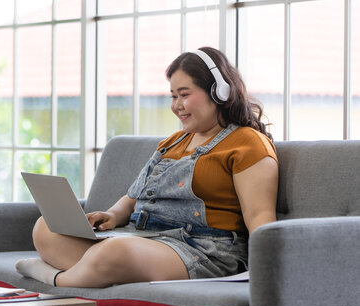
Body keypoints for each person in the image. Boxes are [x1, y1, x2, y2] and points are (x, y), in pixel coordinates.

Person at [16, 46, 278, 288]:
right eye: (173, 96)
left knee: (114, 252)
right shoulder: (172, 143)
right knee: (46, 227)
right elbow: (133, 197)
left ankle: (59, 278)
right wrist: (112, 215)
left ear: (218, 92)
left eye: (184, 95)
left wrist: (267, 273)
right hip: (146, 238)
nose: (176, 106)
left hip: (201, 251)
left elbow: (259, 218)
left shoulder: (249, 143)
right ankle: (99, 270)